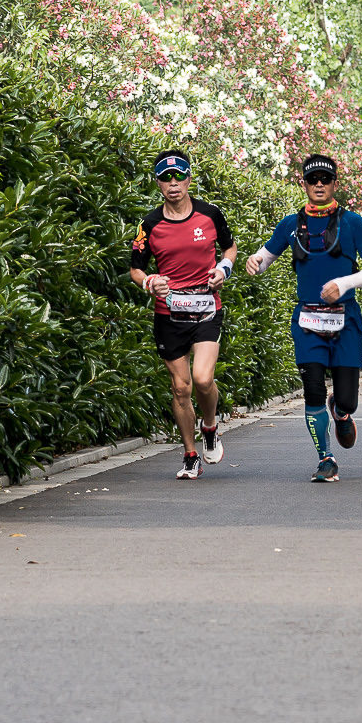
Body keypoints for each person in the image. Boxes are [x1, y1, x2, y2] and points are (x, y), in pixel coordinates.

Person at [245, 155, 362, 482]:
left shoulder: (353, 223)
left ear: (336, 183)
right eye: (312, 180)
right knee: (311, 390)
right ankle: (326, 458)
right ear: (304, 184)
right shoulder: (290, 225)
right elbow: (264, 258)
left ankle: (341, 410)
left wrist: (343, 283)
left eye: (325, 179)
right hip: (308, 321)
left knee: (347, 398)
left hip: (345, 321)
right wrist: (255, 261)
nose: (319, 184)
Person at [130, 150, 237, 479]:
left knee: (203, 379)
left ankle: (210, 425)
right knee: (181, 387)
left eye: (179, 176)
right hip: (169, 314)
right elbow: (135, 269)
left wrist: (224, 269)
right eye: (165, 177)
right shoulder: (149, 224)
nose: (173, 183)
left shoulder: (210, 214)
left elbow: (229, 248)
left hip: (206, 308)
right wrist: (150, 282)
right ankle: (190, 455)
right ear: (158, 183)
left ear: (190, 179)